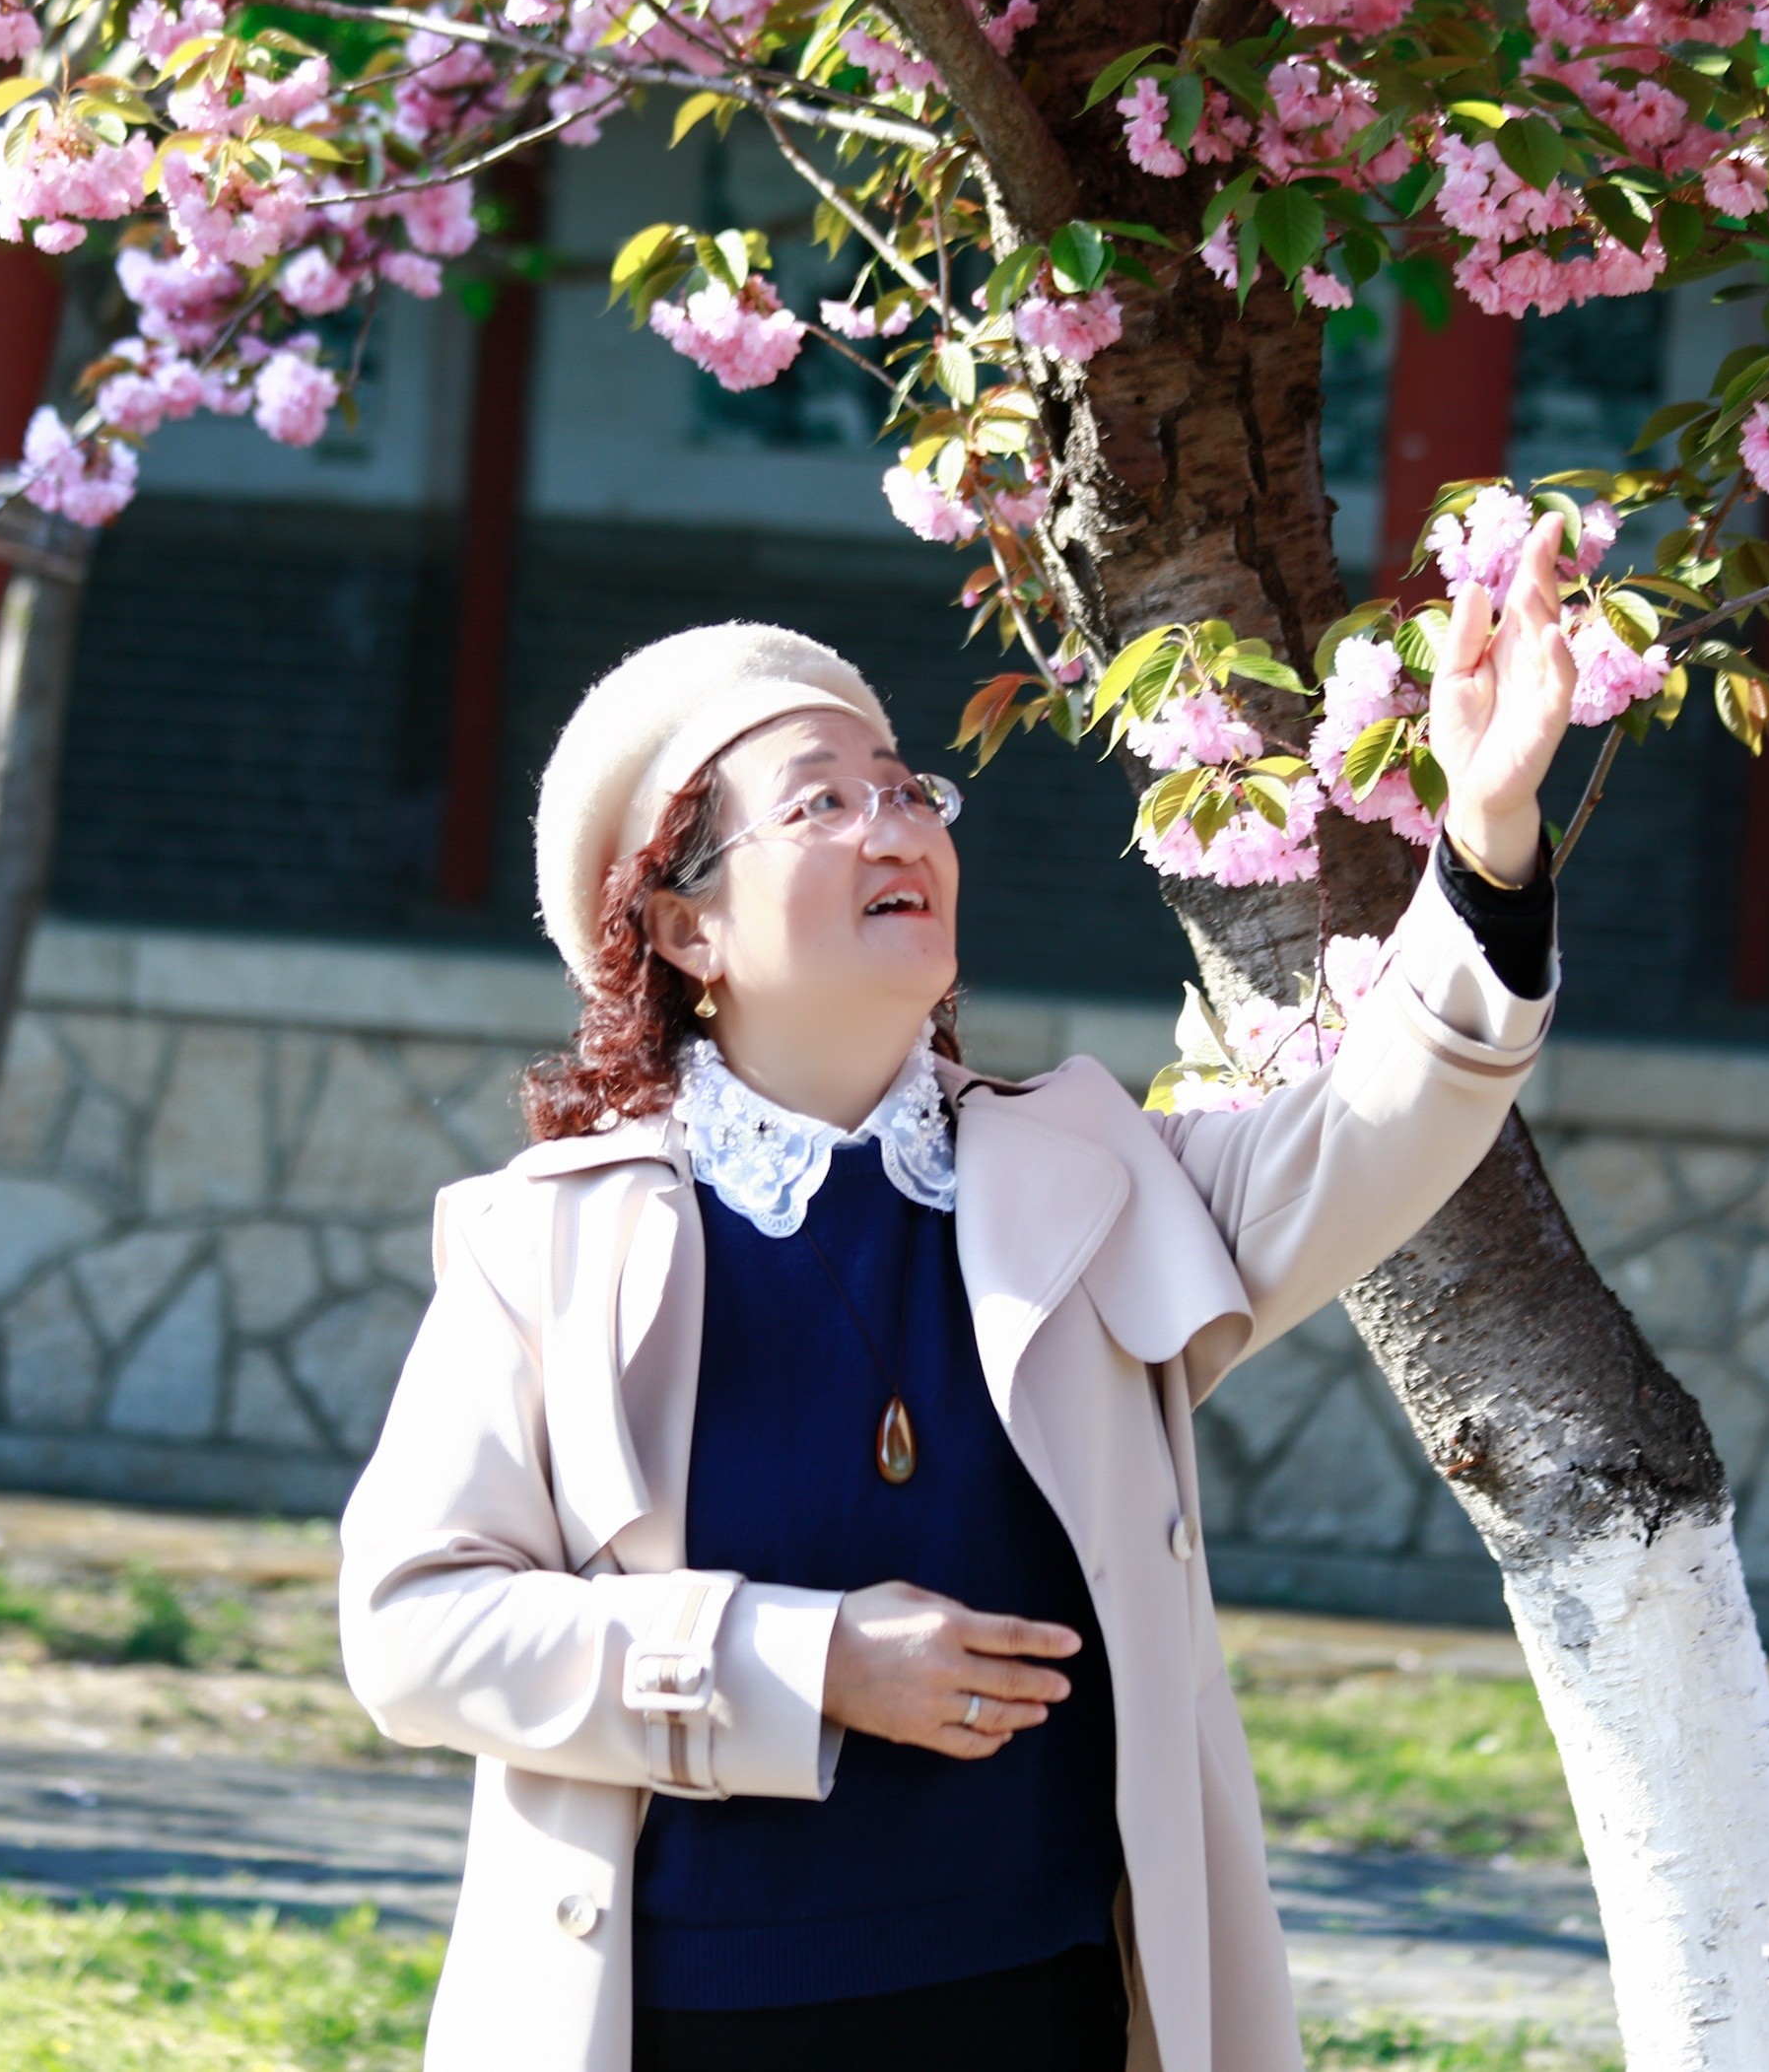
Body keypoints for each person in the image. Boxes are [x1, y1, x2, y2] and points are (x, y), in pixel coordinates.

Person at [338, 529, 1583, 2072]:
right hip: (688, 2021)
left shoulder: (1086, 1173)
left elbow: (1386, 1118)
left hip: (1044, 2001)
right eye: (820, 803)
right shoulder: (554, 1244)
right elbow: (414, 1633)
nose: (894, 827)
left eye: (908, 790)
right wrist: (806, 1664)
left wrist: (1487, 823)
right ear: (682, 929)